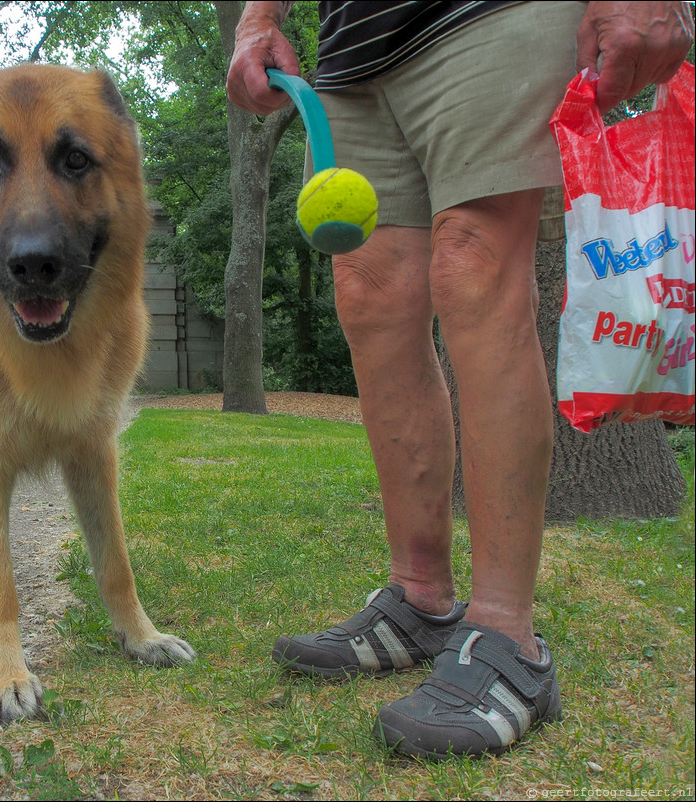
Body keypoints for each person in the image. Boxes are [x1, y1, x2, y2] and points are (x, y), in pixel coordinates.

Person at [227, 0, 694, 758]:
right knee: (369, 293)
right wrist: (258, 19)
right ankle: (420, 600)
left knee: (476, 268)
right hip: (353, 49)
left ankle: (509, 636)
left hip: (489, 15)